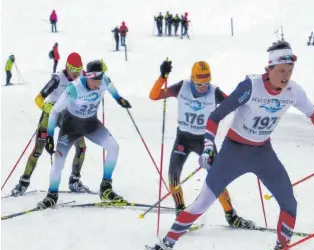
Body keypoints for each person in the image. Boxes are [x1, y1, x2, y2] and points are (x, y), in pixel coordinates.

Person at [146, 41, 314, 250]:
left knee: (289, 204)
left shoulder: (293, 91)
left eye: (289, 70)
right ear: (269, 69)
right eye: (281, 70)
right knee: (202, 203)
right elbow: (215, 117)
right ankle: (165, 244)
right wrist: (207, 147)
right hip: (234, 151)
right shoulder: (251, 87)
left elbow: (313, 113)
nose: (286, 75)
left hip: (263, 153)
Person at [149, 59, 255, 227]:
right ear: (192, 79)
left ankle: (231, 215)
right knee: (173, 176)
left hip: (205, 140)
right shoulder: (181, 87)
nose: (203, 87)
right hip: (183, 138)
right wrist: (162, 77)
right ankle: (180, 211)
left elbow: (234, 104)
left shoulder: (214, 92)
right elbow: (154, 96)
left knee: (217, 178)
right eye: (199, 83)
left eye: (206, 83)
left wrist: (246, 92)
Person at [37, 60, 132, 208]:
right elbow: (55, 111)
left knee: (114, 147)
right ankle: (52, 194)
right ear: (88, 77)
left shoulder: (104, 81)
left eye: (101, 80)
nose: (99, 85)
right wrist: (50, 135)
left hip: (91, 124)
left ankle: (106, 188)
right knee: (58, 161)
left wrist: (119, 100)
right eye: (96, 81)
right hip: (70, 127)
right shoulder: (73, 89)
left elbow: (111, 88)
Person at [11, 53, 89, 196]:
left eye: (79, 70)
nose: (76, 74)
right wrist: (46, 107)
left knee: (82, 148)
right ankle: (23, 182)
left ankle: (74, 181)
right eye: (73, 70)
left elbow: (96, 79)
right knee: (38, 150)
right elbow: (38, 98)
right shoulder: (57, 79)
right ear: (67, 67)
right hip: (51, 115)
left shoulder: (82, 76)